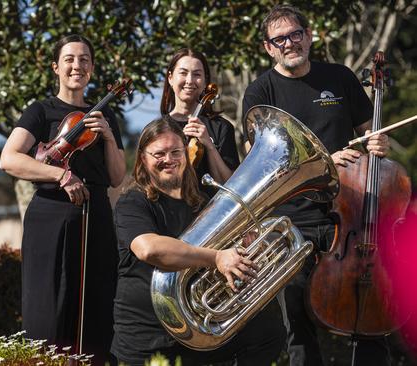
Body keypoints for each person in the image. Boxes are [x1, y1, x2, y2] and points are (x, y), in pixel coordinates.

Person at [242, 5, 391, 366]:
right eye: (280, 39)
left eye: (295, 34)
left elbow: (367, 132)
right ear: (268, 48)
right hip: (292, 222)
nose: (290, 43)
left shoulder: (339, 77)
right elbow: (257, 163)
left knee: (367, 310)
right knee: (297, 319)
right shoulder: (260, 92)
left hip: (351, 211)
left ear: (308, 36)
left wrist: (378, 143)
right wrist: (324, 162)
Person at [111, 118, 286, 366]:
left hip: (196, 328)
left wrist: (242, 249)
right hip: (148, 336)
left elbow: (227, 257)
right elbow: (149, 248)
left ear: (187, 153)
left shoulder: (201, 203)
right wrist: (216, 257)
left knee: (268, 332)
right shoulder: (133, 202)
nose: (168, 159)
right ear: (142, 158)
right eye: (158, 154)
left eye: (175, 152)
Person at [0, 34, 125, 364]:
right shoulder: (40, 111)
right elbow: (9, 158)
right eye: (69, 59)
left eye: (84, 60)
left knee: (94, 306)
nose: (77, 65)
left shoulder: (106, 116)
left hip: (93, 215)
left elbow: (116, 177)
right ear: (56, 67)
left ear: (92, 68)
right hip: (49, 215)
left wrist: (109, 138)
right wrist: (61, 174)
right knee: (47, 307)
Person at [159, 48, 239, 197]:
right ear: (170, 78)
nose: (189, 80)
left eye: (197, 74)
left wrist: (208, 145)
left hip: (211, 214)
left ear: (205, 81)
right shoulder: (157, 129)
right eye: (183, 73)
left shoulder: (221, 127)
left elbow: (230, 186)